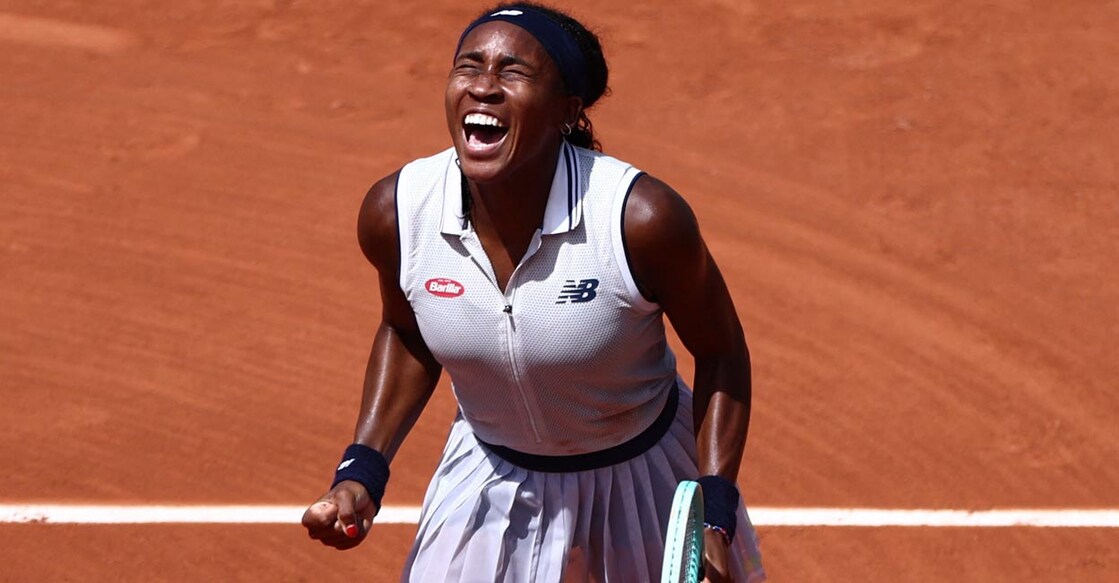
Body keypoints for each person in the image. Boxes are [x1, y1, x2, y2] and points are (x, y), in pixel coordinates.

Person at [302, 3, 766, 581]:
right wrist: (362, 471)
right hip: (492, 477)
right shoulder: (397, 212)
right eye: (468, 67)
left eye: (513, 72)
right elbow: (407, 329)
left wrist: (714, 515)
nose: (483, 87)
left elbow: (722, 352)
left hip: (643, 478)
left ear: (567, 111)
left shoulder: (638, 220)